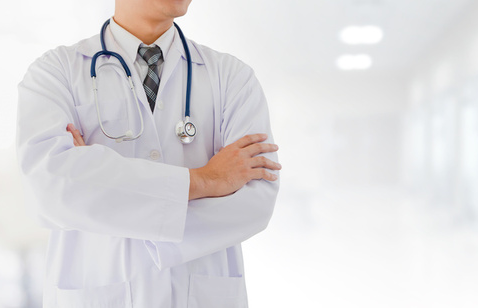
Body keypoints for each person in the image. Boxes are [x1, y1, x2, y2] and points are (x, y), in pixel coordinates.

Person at [16, 0, 281, 306]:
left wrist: (97, 185)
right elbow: (51, 188)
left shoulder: (232, 78)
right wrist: (205, 181)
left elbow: (254, 201)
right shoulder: (55, 74)